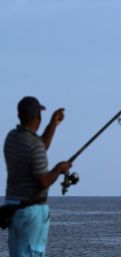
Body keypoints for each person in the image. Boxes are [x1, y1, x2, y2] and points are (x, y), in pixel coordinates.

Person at [3, 96, 72, 257]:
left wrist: (53, 124)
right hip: (31, 211)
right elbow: (43, 181)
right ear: (37, 117)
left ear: (20, 115)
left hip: (13, 208)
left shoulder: (12, 137)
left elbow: (39, 147)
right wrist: (59, 169)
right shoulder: (34, 146)